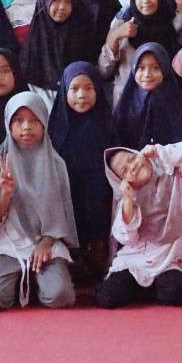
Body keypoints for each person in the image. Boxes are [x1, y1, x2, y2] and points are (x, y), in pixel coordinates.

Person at [0, 92, 78, 310]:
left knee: (60, 296)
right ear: (8, 124)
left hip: (45, 240)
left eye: (34, 120)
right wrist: (5, 193)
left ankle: (33, 280)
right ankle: (25, 280)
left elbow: (61, 215)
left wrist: (46, 242)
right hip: (8, 241)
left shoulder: (56, 165)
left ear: (44, 123)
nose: (26, 127)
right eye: (19, 120)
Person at [97, 140, 182, 308]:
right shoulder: (128, 199)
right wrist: (129, 201)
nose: (132, 167)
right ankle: (145, 288)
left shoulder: (177, 175)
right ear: (122, 182)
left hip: (169, 261)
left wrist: (158, 151)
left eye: (132, 159)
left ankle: (143, 291)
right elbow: (127, 239)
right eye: (125, 171)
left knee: (174, 292)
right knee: (108, 296)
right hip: (135, 261)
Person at [48, 62, 120, 280]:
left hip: (99, 200)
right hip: (66, 201)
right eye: (75, 89)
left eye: (89, 88)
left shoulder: (107, 124)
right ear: (64, 91)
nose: (82, 95)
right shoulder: (55, 128)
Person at [99, 0, 179, 102]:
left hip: (161, 102)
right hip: (126, 103)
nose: (146, 0)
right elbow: (104, 70)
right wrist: (116, 36)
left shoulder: (170, 23)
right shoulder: (122, 24)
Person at [19, 0, 93, 102]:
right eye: (55, 0)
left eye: (68, 1)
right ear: (44, 2)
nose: (62, 7)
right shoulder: (34, 44)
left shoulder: (81, 38)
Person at [113, 43, 182, 148]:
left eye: (155, 68)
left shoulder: (173, 102)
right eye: (141, 68)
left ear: (165, 69)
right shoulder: (126, 103)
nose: (147, 74)